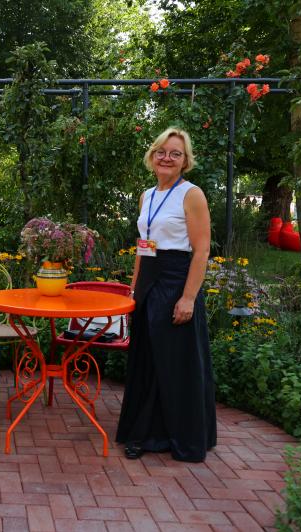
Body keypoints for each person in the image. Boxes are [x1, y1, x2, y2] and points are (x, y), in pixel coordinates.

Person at [116, 127, 217, 462]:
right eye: (162, 151)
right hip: (149, 280)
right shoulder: (147, 195)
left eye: (175, 153)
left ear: (185, 161)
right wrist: (134, 288)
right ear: (152, 156)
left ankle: (171, 436)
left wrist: (188, 298)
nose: (167, 158)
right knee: (147, 358)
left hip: (176, 281)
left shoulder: (191, 194)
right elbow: (143, 245)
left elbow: (201, 251)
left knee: (173, 362)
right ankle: (145, 430)